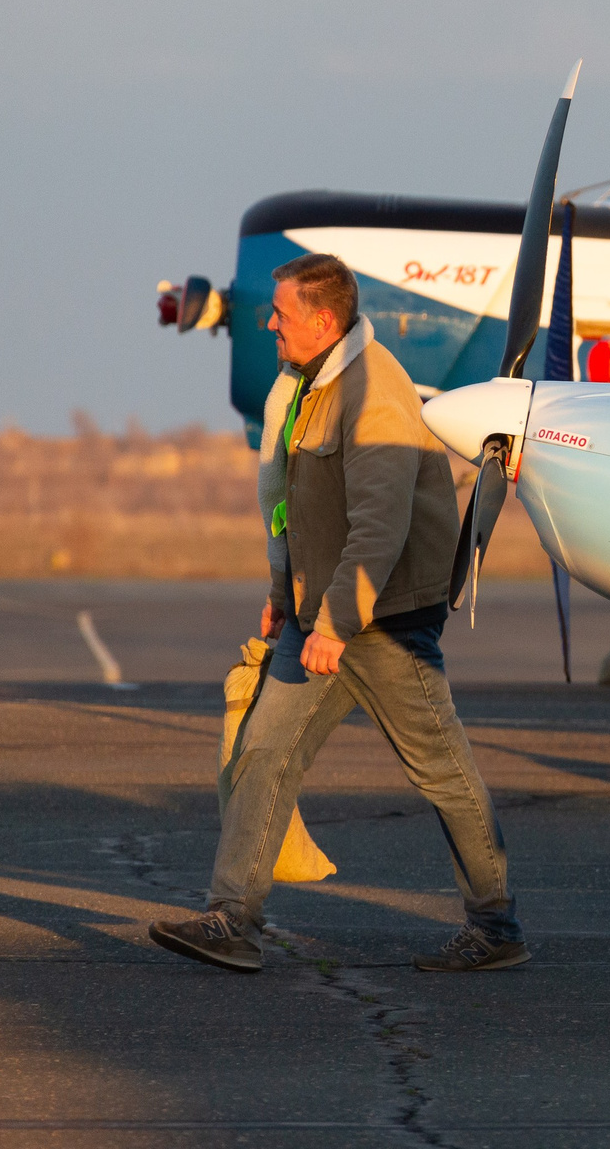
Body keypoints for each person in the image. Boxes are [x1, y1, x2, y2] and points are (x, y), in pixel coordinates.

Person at [148, 253, 526, 975]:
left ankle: (496, 926)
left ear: (323, 320)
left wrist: (335, 623)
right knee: (264, 750)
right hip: (323, 616)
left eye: (280, 314)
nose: (266, 323)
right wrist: (283, 589)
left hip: (382, 622)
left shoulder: (373, 389)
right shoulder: (308, 385)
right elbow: (300, 505)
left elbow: (377, 524)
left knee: (442, 773)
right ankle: (233, 918)